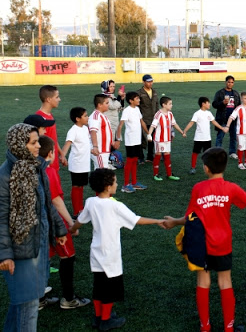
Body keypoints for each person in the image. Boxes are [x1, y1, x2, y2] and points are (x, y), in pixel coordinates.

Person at [162, 148, 246, 332]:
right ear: (224, 167)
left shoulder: (198, 188)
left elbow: (190, 217)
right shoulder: (231, 188)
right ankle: (229, 328)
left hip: (201, 244)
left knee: (203, 283)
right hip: (222, 244)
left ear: (205, 168)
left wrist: (173, 222)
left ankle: (205, 327)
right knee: (225, 282)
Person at [68, 168, 165, 331]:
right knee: (109, 289)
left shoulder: (91, 202)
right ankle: (106, 320)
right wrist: (157, 221)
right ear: (108, 186)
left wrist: (72, 230)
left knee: (98, 286)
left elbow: (80, 221)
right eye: (115, 181)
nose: (117, 183)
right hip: (110, 254)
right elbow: (136, 220)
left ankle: (98, 317)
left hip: (96, 252)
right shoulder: (115, 206)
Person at [0, 123, 67, 331]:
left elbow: (46, 203)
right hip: (20, 250)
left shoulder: (36, 166)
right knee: (28, 308)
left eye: (38, 141)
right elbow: (1, 217)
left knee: (22, 303)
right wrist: (5, 254)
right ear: (19, 145)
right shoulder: (5, 175)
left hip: (37, 244)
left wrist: (59, 229)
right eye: (33, 143)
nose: (39, 146)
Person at [39, 136, 91, 310]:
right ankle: (68, 299)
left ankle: (38, 298)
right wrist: (70, 223)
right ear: (51, 153)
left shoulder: (31, 168)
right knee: (68, 256)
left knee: (42, 259)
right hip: (54, 221)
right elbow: (56, 200)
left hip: (39, 222)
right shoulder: (48, 171)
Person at [116, 92, 150, 193]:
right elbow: (120, 125)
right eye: (137, 98)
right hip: (130, 141)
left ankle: (134, 183)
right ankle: (125, 185)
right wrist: (118, 139)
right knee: (130, 161)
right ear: (131, 101)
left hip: (137, 140)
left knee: (135, 160)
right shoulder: (127, 111)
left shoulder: (137, 109)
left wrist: (148, 134)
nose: (139, 100)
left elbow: (142, 122)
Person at [60, 107, 92, 216]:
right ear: (78, 118)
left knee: (81, 186)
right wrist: (62, 156)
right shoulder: (73, 130)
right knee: (76, 186)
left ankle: (81, 209)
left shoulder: (85, 128)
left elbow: (86, 144)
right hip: (77, 164)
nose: (88, 117)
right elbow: (67, 145)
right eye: (85, 116)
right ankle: (76, 211)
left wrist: (94, 150)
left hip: (84, 163)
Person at [147, 96, 186, 181]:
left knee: (167, 155)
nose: (171, 105)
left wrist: (181, 132)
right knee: (158, 155)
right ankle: (155, 174)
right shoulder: (158, 114)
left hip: (167, 139)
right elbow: (153, 126)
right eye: (170, 104)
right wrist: (149, 134)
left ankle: (169, 174)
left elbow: (174, 124)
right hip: (159, 139)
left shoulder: (170, 114)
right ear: (164, 105)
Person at [183, 97, 225, 175]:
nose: (209, 104)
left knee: (208, 154)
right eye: (208, 103)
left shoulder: (209, 113)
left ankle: (208, 167)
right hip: (198, 138)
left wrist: (222, 128)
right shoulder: (197, 113)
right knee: (195, 153)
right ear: (203, 104)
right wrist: (185, 131)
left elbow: (214, 122)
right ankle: (193, 168)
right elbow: (191, 123)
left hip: (207, 138)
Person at [212, 76, 241, 160]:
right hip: (222, 119)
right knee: (220, 137)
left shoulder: (235, 93)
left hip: (233, 119)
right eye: (229, 82)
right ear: (225, 82)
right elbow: (214, 104)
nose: (230, 84)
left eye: (232, 82)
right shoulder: (220, 93)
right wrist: (222, 103)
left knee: (233, 137)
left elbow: (238, 106)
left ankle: (232, 152)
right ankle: (218, 153)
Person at [89, 94, 120, 171]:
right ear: (99, 105)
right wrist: (95, 147)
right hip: (99, 150)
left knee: (101, 174)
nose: (108, 105)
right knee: (102, 174)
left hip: (104, 150)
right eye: (106, 103)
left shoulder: (102, 115)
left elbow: (105, 132)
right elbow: (93, 132)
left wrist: (111, 142)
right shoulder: (96, 116)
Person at [137, 74, 159, 163]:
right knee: (141, 138)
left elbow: (156, 104)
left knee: (152, 139)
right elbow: (137, 107)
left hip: (153, 119)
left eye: (151, 81)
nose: (150, 83)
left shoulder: (154, 92)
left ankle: (150, 156)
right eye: (148, 81)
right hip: (143, 119)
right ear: (143, 82)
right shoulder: (139, 93)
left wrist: (158, 117)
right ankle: (140, 157)